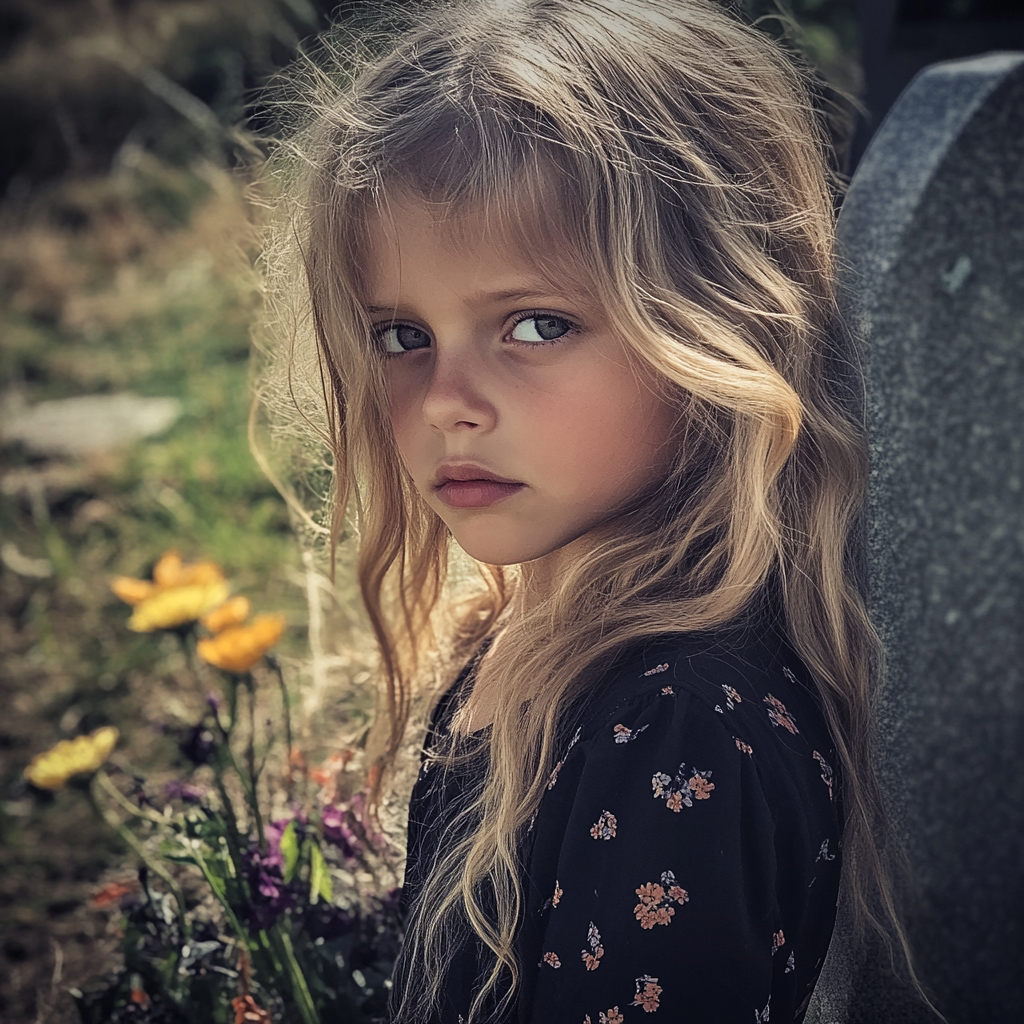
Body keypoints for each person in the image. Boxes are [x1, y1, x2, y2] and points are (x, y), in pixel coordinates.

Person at [259, 1, 918, 1020]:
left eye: (534, 323)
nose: (443, 401)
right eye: (399, 333)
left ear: (715, 326)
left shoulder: (678, 723)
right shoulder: (529, 629)